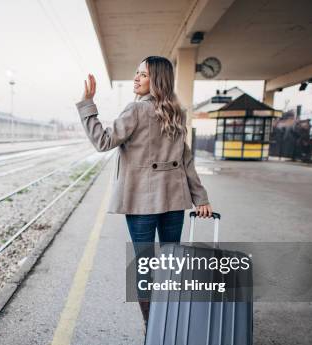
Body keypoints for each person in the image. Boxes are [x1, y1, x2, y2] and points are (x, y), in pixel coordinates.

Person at [75, 56, 213, 330]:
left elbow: (103, 141)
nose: (136, 78)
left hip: (141, 202)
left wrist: (87, 104)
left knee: (145, 265)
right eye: (136, 73)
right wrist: (201, 198)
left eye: (144, 75)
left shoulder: (135, 111)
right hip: (174, 200)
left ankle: (153, 328)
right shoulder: (177, 112)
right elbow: (186, 160)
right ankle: (170, 322)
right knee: (171, 261)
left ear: (157, 80)